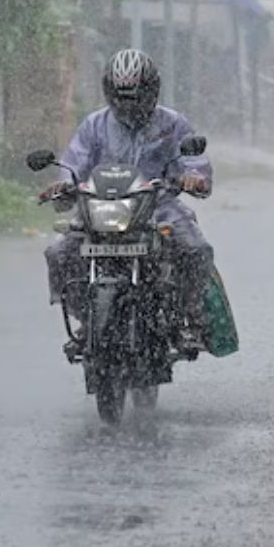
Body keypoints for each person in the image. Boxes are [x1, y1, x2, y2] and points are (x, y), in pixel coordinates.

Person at [43, 48, 214, 352]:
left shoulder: (173, 124)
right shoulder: (94, 125)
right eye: (121, 96)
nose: (128, 103)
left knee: (196, 250)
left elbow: (195, 163)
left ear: (152, 89)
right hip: (101, 208)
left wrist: (194, 178)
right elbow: (74, 163)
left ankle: (192, 320)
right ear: (109, 91)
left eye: (135, 95)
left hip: (159, 206)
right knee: (59, 253)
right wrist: (61, 186)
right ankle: (87, 318)